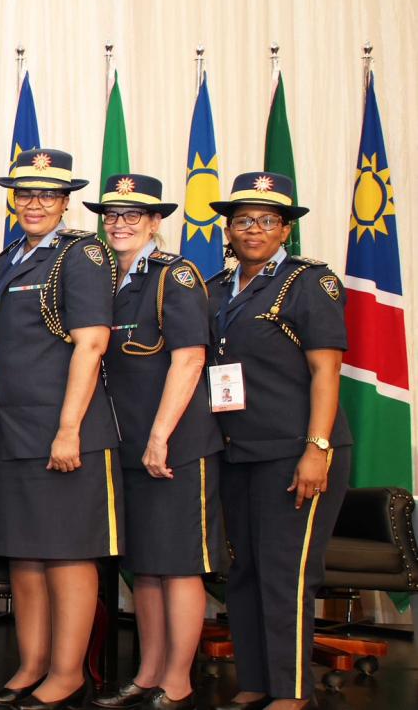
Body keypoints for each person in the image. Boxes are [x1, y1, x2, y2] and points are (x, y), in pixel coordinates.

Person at [204, 172, 351, 710]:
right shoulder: (216, 289)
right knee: (242, 569)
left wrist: (318, 448)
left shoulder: (309, 282)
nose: (253, 229)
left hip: (294, 453)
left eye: (267, 220)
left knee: (285, 573)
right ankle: (255, 681)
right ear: (228, 227)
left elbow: (326, 371)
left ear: (285, 228)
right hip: (236, 450)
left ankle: (291, 692)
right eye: (243, 219)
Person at [0, 149, 119, 710]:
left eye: (47, 194)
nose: (34, 203)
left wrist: (69, 430)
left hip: (62, 428)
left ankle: (67, 673)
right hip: (7, 428)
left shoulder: (81, 253)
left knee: (67, 554)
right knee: (24, 556)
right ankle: (31, 665)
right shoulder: (7, 257)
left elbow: (91, 344)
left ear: (65, 201)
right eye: (25, 193)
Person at [84, 175, 223, 710]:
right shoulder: (105, 281)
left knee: (178, 564)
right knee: (144, 565)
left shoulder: (176, 275)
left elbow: (189, 359)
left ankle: (179, 681)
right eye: (112, 214)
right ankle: (147, 675)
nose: (120, 223)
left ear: (155, 221)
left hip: (175, 445)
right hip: (125, 446)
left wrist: (161, 437)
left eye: (133, 214)